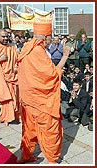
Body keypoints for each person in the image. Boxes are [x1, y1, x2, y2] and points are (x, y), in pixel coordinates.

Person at [17, 22, 70, 164]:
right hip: (41, 100)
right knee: (51, 129)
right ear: (45, 37)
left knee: (29, 129)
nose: (51, 40)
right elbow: (52, 75)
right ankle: (52, 159)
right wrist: (65, 56)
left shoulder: (26, 48)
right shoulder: (37, 51)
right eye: (50, 37)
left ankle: (25, 156)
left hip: (27, 98)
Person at [0, 29, 20, 126]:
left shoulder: (12, 47)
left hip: (13, 77)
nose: (6, 38)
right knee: (6, 98)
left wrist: (16, 67)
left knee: (15, 97)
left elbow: (17, 60)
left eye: (7, 36)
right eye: (3, 37)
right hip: (2, 78)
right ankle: (7, 117)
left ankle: (15, 115)